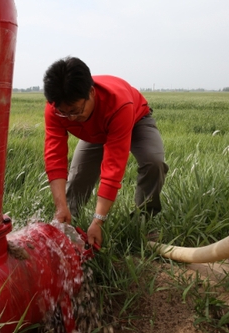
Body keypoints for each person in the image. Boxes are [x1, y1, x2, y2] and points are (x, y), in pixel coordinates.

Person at [42, 57, 169, 247]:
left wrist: (98, 220)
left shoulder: (118, 103)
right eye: (64, 112)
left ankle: (144, 222)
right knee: (78, 176)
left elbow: (113, 167)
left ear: (91, 93)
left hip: (135, 120)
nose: (71, 118)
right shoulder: (56, 109)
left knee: (154, 162)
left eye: (76, 110)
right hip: (95, 132)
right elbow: (55, 158)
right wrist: (61, 206)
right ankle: (66, 224)